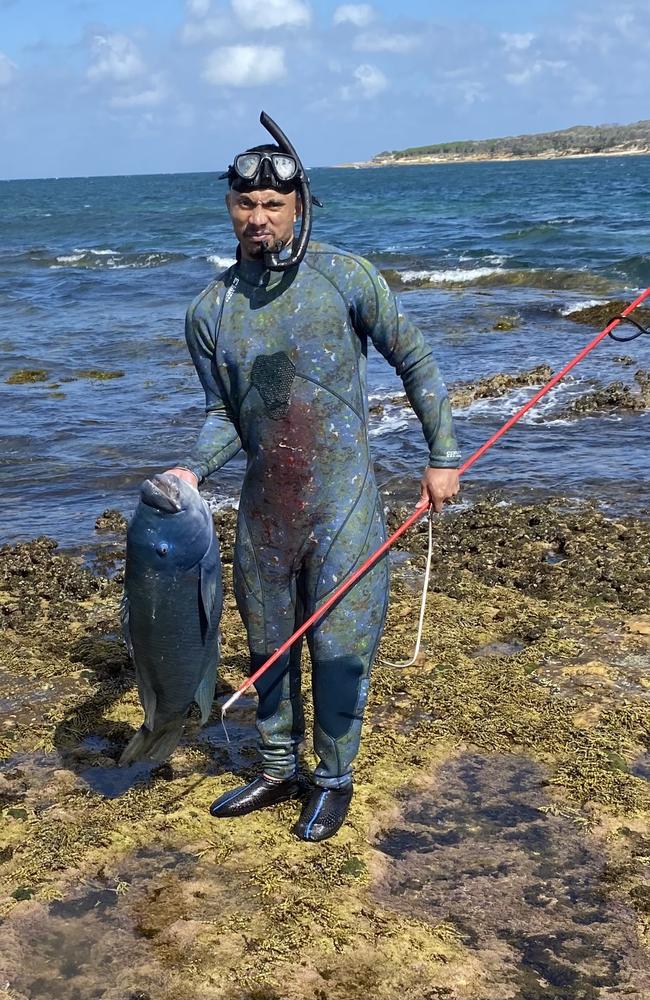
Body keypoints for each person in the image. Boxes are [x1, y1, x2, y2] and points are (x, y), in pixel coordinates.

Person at [166, 113, 460, 842]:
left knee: (338, 648)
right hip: (268, 508)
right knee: (268, 642)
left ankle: (332, 777)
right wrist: (190, 471)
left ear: (300, 206)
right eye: (245, 203)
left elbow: (415, 360)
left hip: (344, 504)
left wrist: (443, 456)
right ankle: (275, 766)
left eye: (273, 204)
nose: (257, 216)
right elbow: (239, 413)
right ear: (229, 206)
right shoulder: (216, 311)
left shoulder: (345, 278)